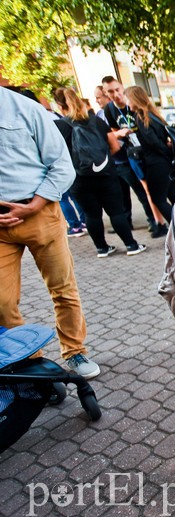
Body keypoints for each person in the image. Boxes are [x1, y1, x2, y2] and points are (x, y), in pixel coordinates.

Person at [0, 87, 101, 378]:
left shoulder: (26, 110)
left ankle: (75, 352)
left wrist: (35, 204)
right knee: (3, 302)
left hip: (39, 212)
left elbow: (61, 166)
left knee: (63, 289)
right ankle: (29, 364)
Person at [52, 87, 147, 258]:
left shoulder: (58, 126)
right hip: (106, 175)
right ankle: (131, 245)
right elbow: (115, 145)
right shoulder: (96, 121)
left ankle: (102, 248)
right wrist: (102, 159)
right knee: (116, 212)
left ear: (60, 106)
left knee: (91, 214)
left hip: (79, 178)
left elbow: (54, 155)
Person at [101, 76, 161, 236]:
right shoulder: (110, 110)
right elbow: (113, 132)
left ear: (122, 87)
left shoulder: (133, 104)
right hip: (129, 154)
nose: (116, 94)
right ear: (107, 94)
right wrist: (119, 134)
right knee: (139, 189)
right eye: (111, 92)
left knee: (149, 190)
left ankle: (155, 220)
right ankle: (154, 221)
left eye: (117, 90)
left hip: (146, 152)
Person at [124, 86, 175, 225]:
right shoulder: (154, 115)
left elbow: (154, 143)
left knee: (158, 199)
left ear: (134, 99)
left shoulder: (142, 117)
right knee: (174, 197)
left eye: (128, 99)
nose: (127, 103)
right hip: (168, 163)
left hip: (157, 164)